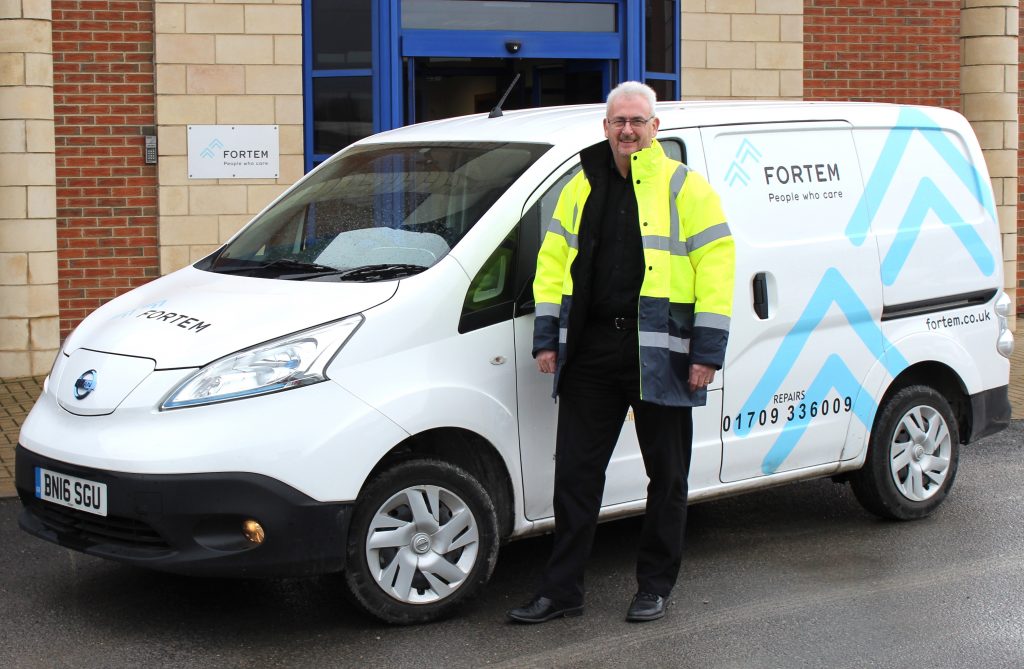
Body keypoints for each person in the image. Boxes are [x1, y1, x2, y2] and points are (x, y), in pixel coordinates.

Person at [507, 82, 735, 624]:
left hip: (662, 351)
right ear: (605, 127)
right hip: (593, 350)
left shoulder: (686, 187)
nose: (628, 130)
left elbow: (718, 268)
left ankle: (655, 585)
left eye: (638, 121)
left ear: (656, 128)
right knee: (577, 477)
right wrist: (547, 337)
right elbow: (552, 260)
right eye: (618, 121)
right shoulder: (581, 184)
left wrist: (707, 351)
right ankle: (562, 591)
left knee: (668, 475)